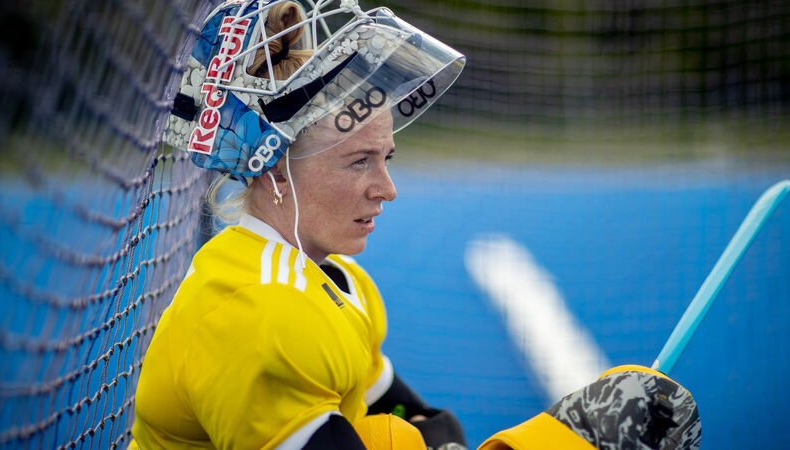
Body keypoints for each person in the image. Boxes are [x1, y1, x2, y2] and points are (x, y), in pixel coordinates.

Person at [133, 1, 701, 449]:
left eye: (385, 158)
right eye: (359, 161)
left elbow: (409, 415)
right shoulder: (256, 314)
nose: (387, 188)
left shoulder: (337, 282)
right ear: (275, 167)